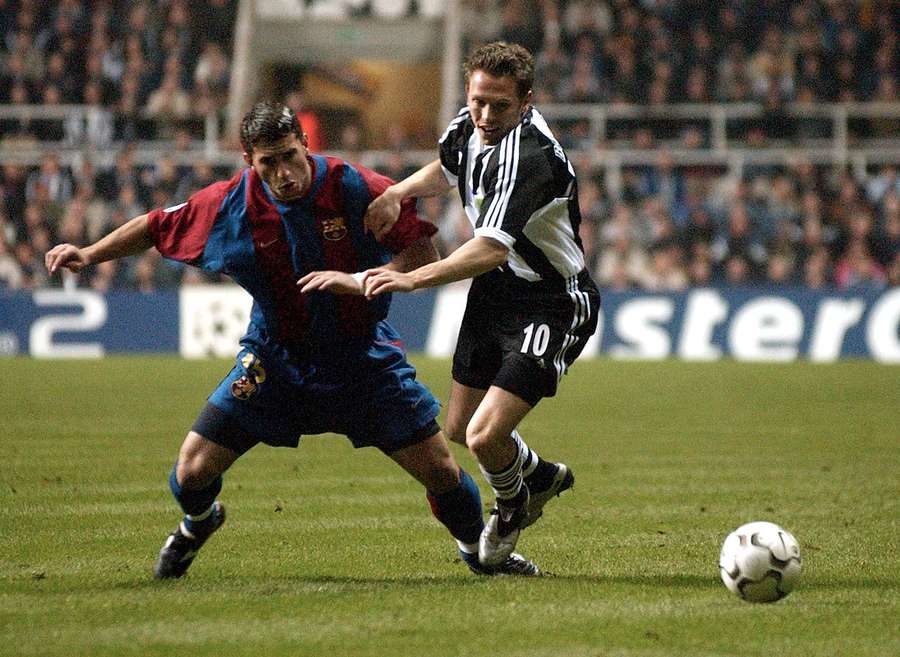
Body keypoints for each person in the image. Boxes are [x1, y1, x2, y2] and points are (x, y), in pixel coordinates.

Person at [45, 101, 538, 579]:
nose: (284, 173)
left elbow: (419, 252)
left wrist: (367, 278)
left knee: (439, 470)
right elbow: (155, 227)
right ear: (249, 162)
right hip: (274, 360)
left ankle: (479, 552)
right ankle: (198, 523)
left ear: (305, 144)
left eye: (289, 156)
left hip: (361, 359)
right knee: (192, 471)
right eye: (268, 163)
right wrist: (88, 254)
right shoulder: (229, 205)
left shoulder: (355, 187)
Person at [358, 42, 601, 567]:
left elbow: (490, 246)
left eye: (500, 106)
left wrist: (415, 278)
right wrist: (399, 192)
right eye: (477, 101)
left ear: (527, 102)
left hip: (551, 300)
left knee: (485, 434)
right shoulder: (468, 127)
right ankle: (536, 476)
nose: (486, 116)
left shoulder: (532, 158)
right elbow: (446, 169)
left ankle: (513, 503)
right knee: (457, 428)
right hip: (497, 292)